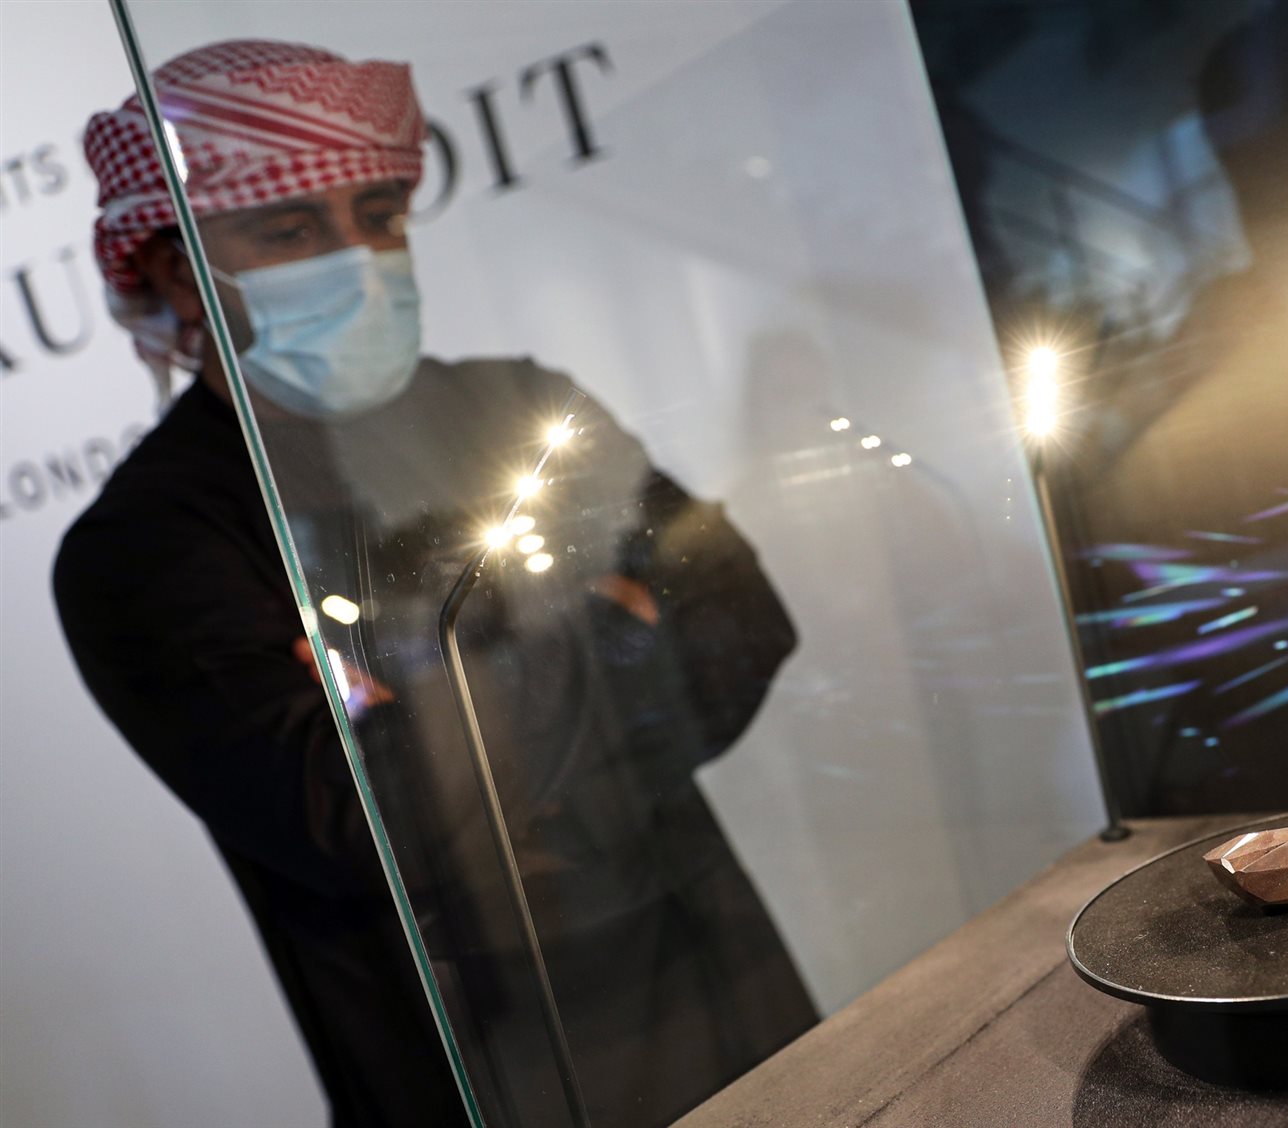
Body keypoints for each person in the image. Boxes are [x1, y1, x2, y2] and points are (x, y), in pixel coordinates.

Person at [55, 39, 816, 1128]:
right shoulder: (148, 543)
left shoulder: (522, 406)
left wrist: (435, 709)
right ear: (180, 270)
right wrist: (607, 631)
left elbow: (743, 621)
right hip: (472, 1063)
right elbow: (349, 821)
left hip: (718, 986)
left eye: (378, 215)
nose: (357, 258)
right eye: (290, 230)